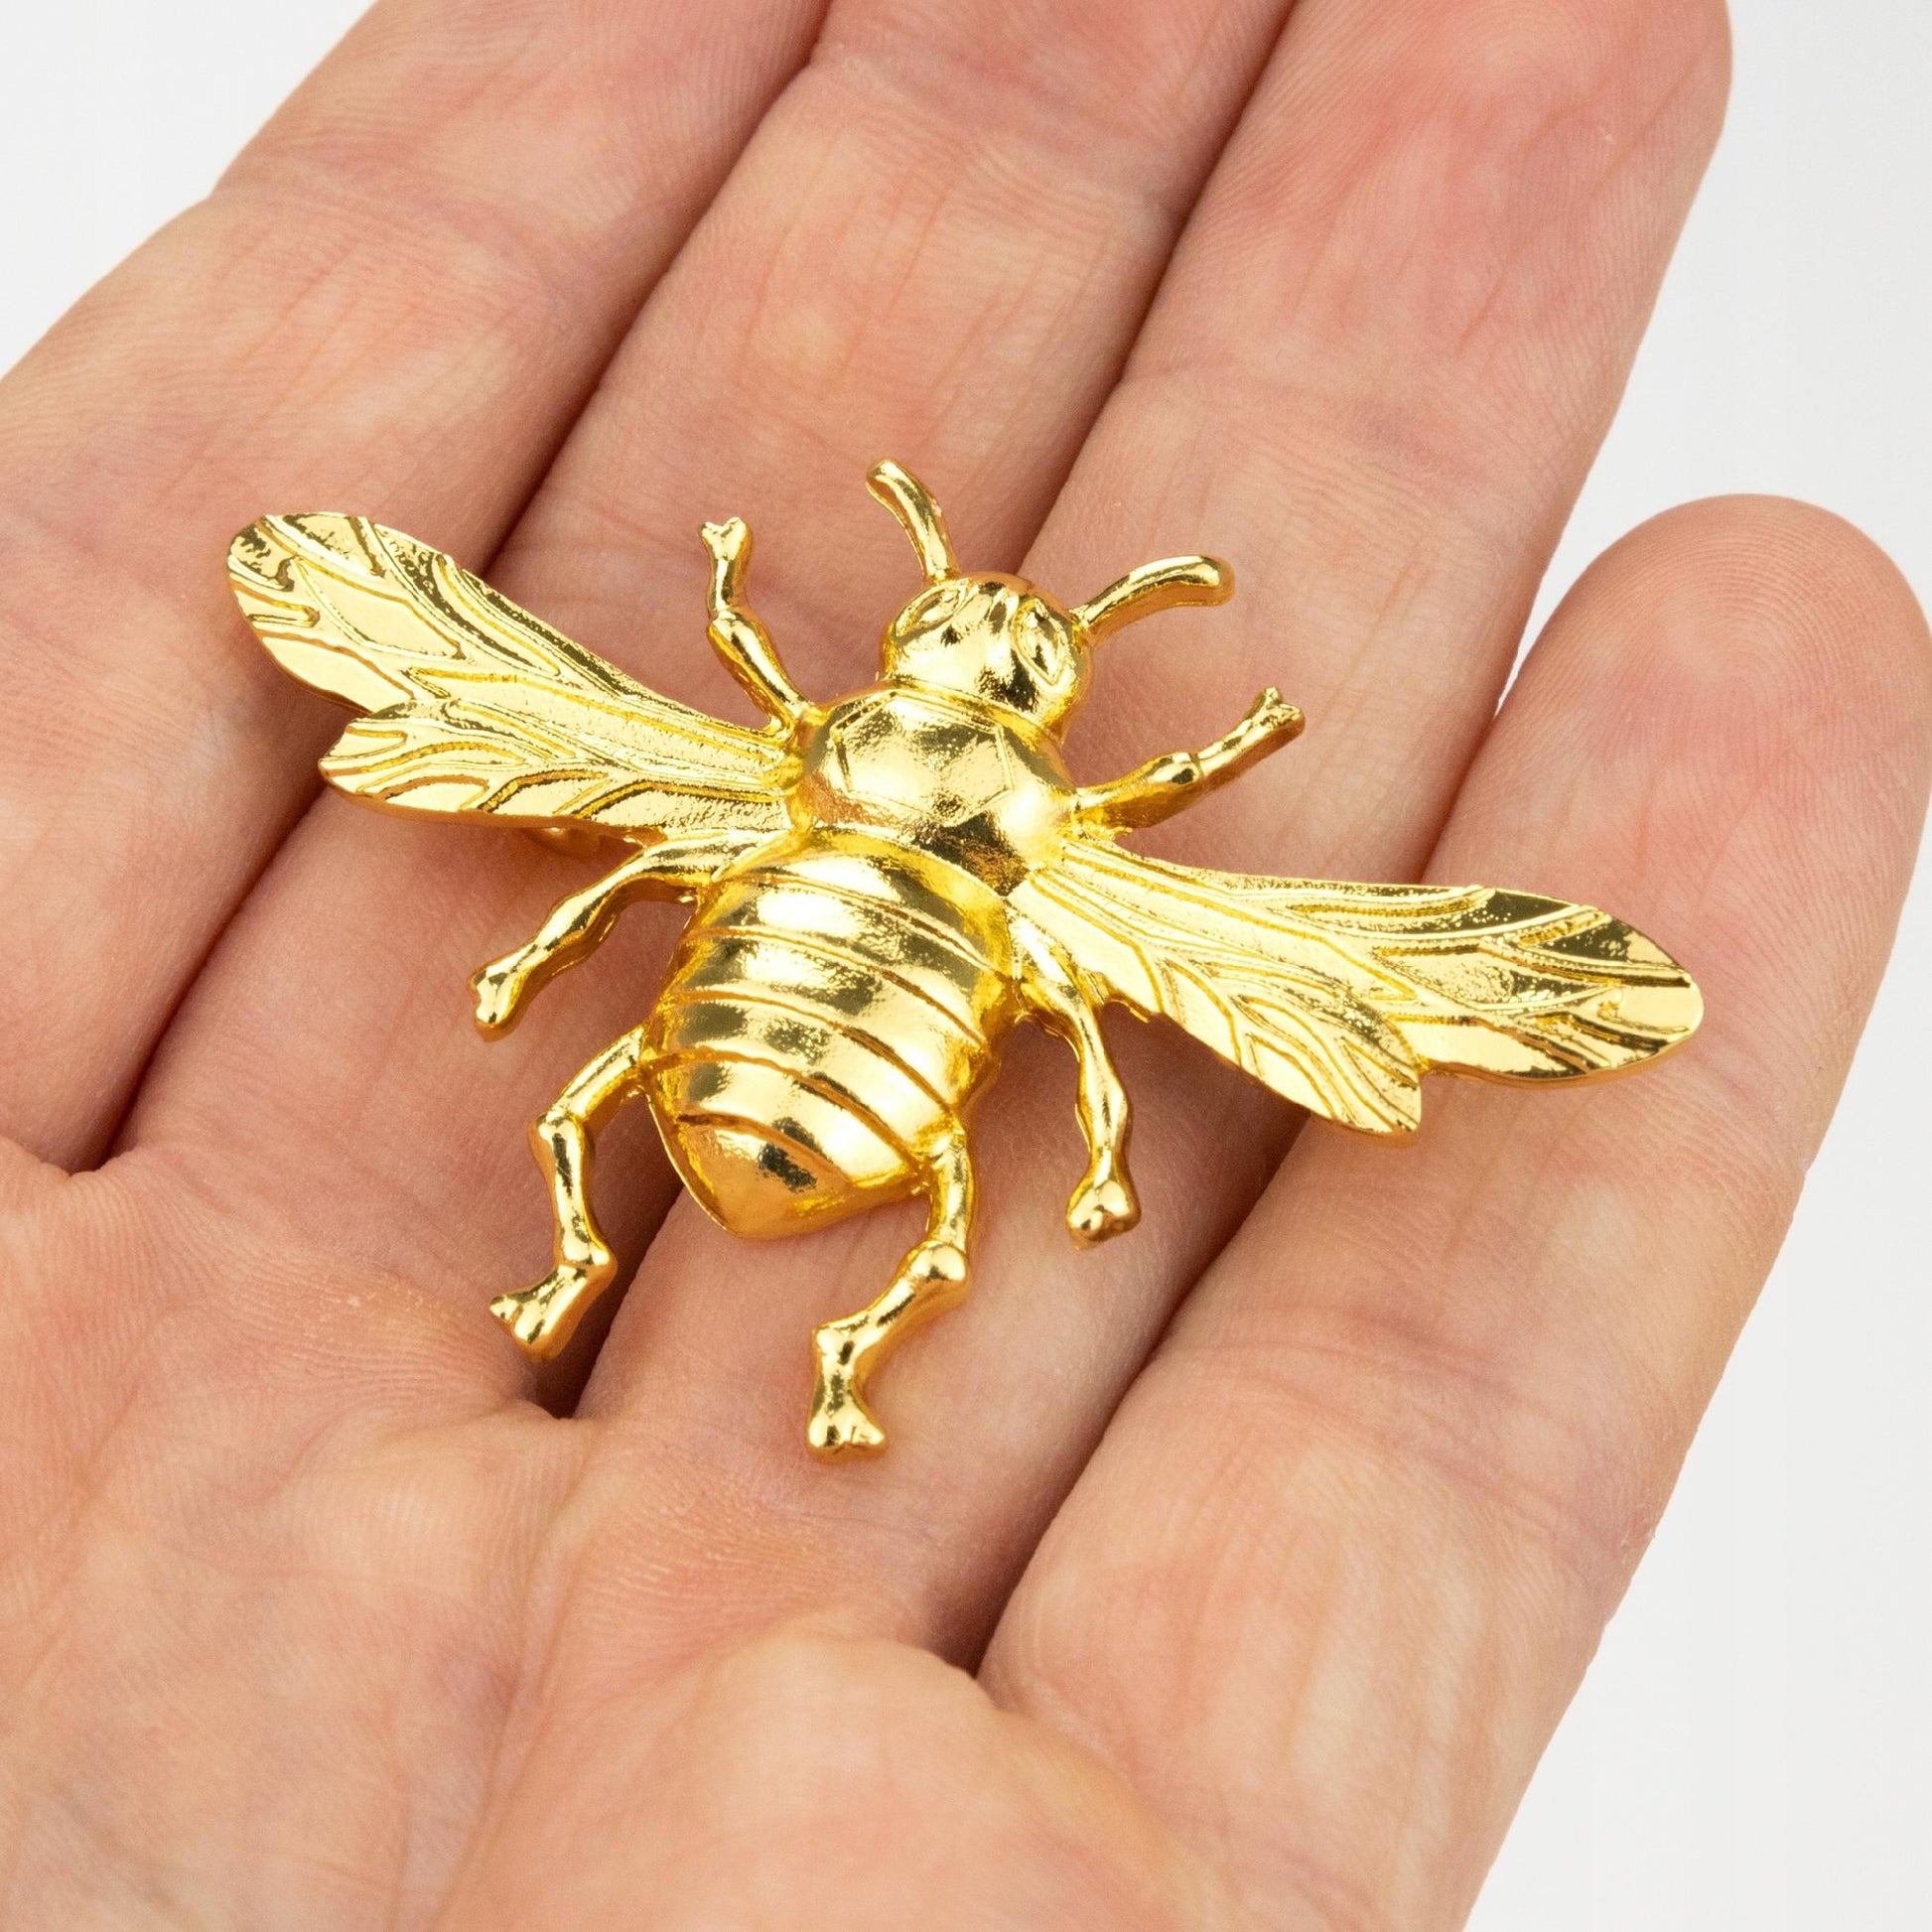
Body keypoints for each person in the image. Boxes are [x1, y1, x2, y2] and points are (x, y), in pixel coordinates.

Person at [0, 1, 1923, 1924]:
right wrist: (1152, 978)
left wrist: (600, 871)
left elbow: (656, 762)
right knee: (874, 1155)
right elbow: (1086, 969)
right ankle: (825, 1346)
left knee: (605, 1077)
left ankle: (618, 1259)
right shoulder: (1006, 841)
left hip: (770, 1020)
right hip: (878, 1080)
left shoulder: (799, 770)